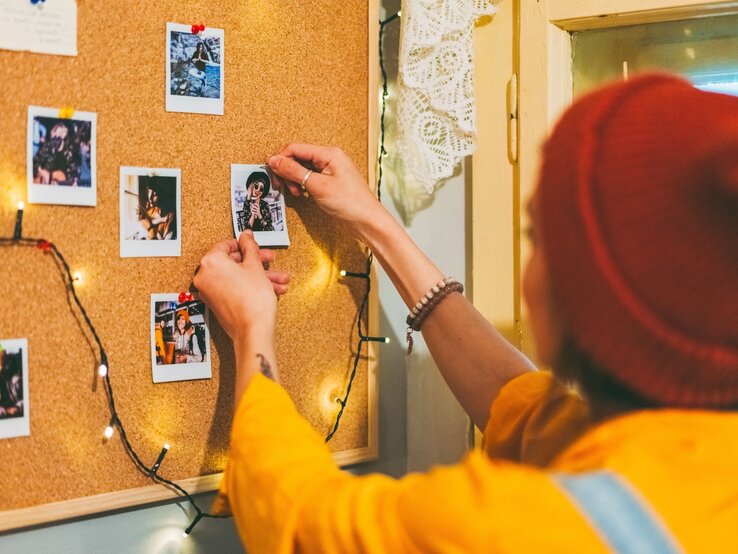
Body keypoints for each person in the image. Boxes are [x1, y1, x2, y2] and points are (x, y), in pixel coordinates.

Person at [193, 74, 738, 552]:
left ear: (589, 294)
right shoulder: (702, 467)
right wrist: (375, 221)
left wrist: (252, 328)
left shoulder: (508, 529)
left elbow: (303, 526)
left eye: (538, 238)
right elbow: (518, 404)